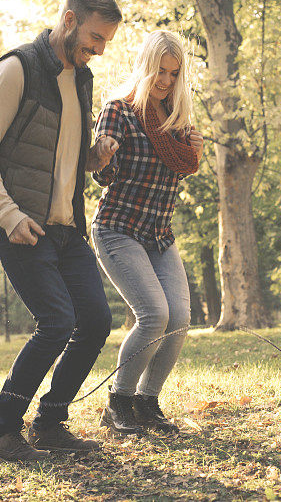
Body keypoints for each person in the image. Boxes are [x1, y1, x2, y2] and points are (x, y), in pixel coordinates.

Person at [0, 0, 122, 461]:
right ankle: (0, 431)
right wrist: (8, 215)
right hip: (17, 222)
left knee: (94, 320)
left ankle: (50, 423)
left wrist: (95, 158)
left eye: (105, 42)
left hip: (65, 224)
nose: (99, 49)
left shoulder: (82, 78)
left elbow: (65, 156)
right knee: (57, 322)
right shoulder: (17, 68)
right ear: (70, 20)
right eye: (95, 37)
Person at [91, 31, 204, 434]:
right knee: (154, 314)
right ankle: (117, 403)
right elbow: (102, 175)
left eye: (174, 74)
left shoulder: (177, 119)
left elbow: (182, 166)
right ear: (145, 65)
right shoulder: (118, 111)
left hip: (158, 234)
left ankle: (146, 402)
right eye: (160, 70)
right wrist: (102, 155)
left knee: (179, 317)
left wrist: (196, 150)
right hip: (117, 228)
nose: (166, 81)